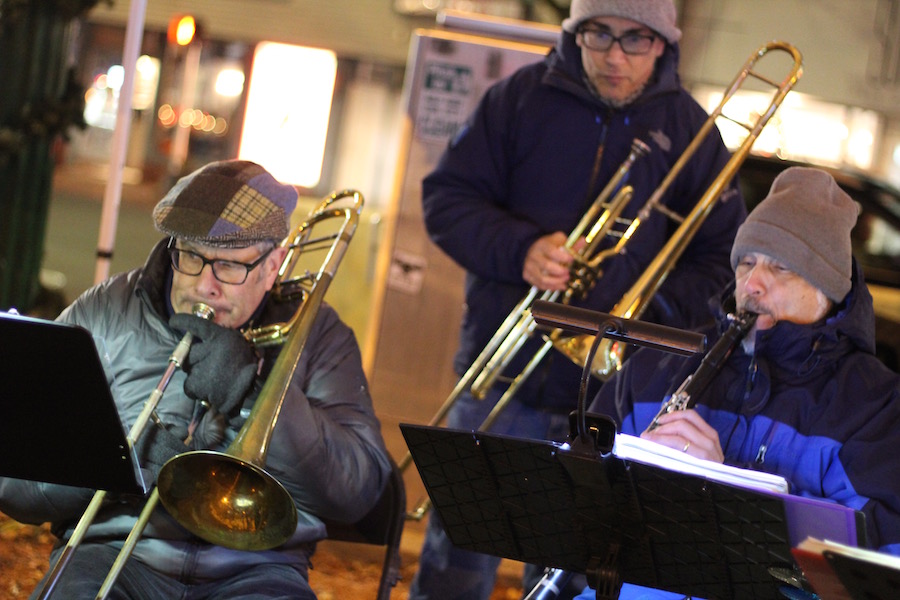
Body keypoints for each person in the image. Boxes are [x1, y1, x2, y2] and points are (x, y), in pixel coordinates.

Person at [409, 0, 748, 598]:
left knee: (569, 568)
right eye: (600, 34)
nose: (615, 55)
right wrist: (521, 249)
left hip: (615, 392)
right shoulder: (516, 100)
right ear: (575, 32)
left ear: (663, 43)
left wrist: (644, 313)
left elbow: (723, 259)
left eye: (635, 40)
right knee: (457, 555)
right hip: (505, 367)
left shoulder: (695, 132)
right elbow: (447, 198)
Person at [0, 160, 391, 599]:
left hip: (259, 571)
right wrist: (123, 464)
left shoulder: (318, 335)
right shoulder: (106, 312)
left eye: (229, 266)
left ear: (273, 264)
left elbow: (360, 489)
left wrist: (253, 396)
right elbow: (14, 483)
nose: (205, 285)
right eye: (191, 257)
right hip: (112, 554)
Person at [576, 166, 900, 599]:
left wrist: (726, 486)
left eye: (781, 267)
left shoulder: (875, 404)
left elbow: (879, 562)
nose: (752, 283)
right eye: (746, 262)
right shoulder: (658, 367)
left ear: (827, 290)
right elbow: (575, 504)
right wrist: (626, 474)